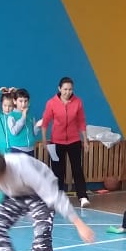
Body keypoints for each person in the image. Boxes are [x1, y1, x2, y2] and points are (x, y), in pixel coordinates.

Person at [40, 76, 90, 208]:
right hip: (56, 142)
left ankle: (83, 197)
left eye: (70, 89)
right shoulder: (51, 103)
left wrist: (85, 140)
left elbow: (81, 122)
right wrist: (44, 140)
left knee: (77, 169)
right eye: (65, 89)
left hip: (74, 141)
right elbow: (45, 123)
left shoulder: (78, 102)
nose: (68, 92)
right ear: (59, 89)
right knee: (58, 171)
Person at [7, 88, 40, 156]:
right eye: (20, 101)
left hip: (31, 149)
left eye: (26, 101)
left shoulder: (30, 116)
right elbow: (14, 131)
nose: (23, 104)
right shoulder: (11, 116)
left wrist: (38, 125)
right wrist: (23, 117)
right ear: (14, 101)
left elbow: (34, 133)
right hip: (17, 150)